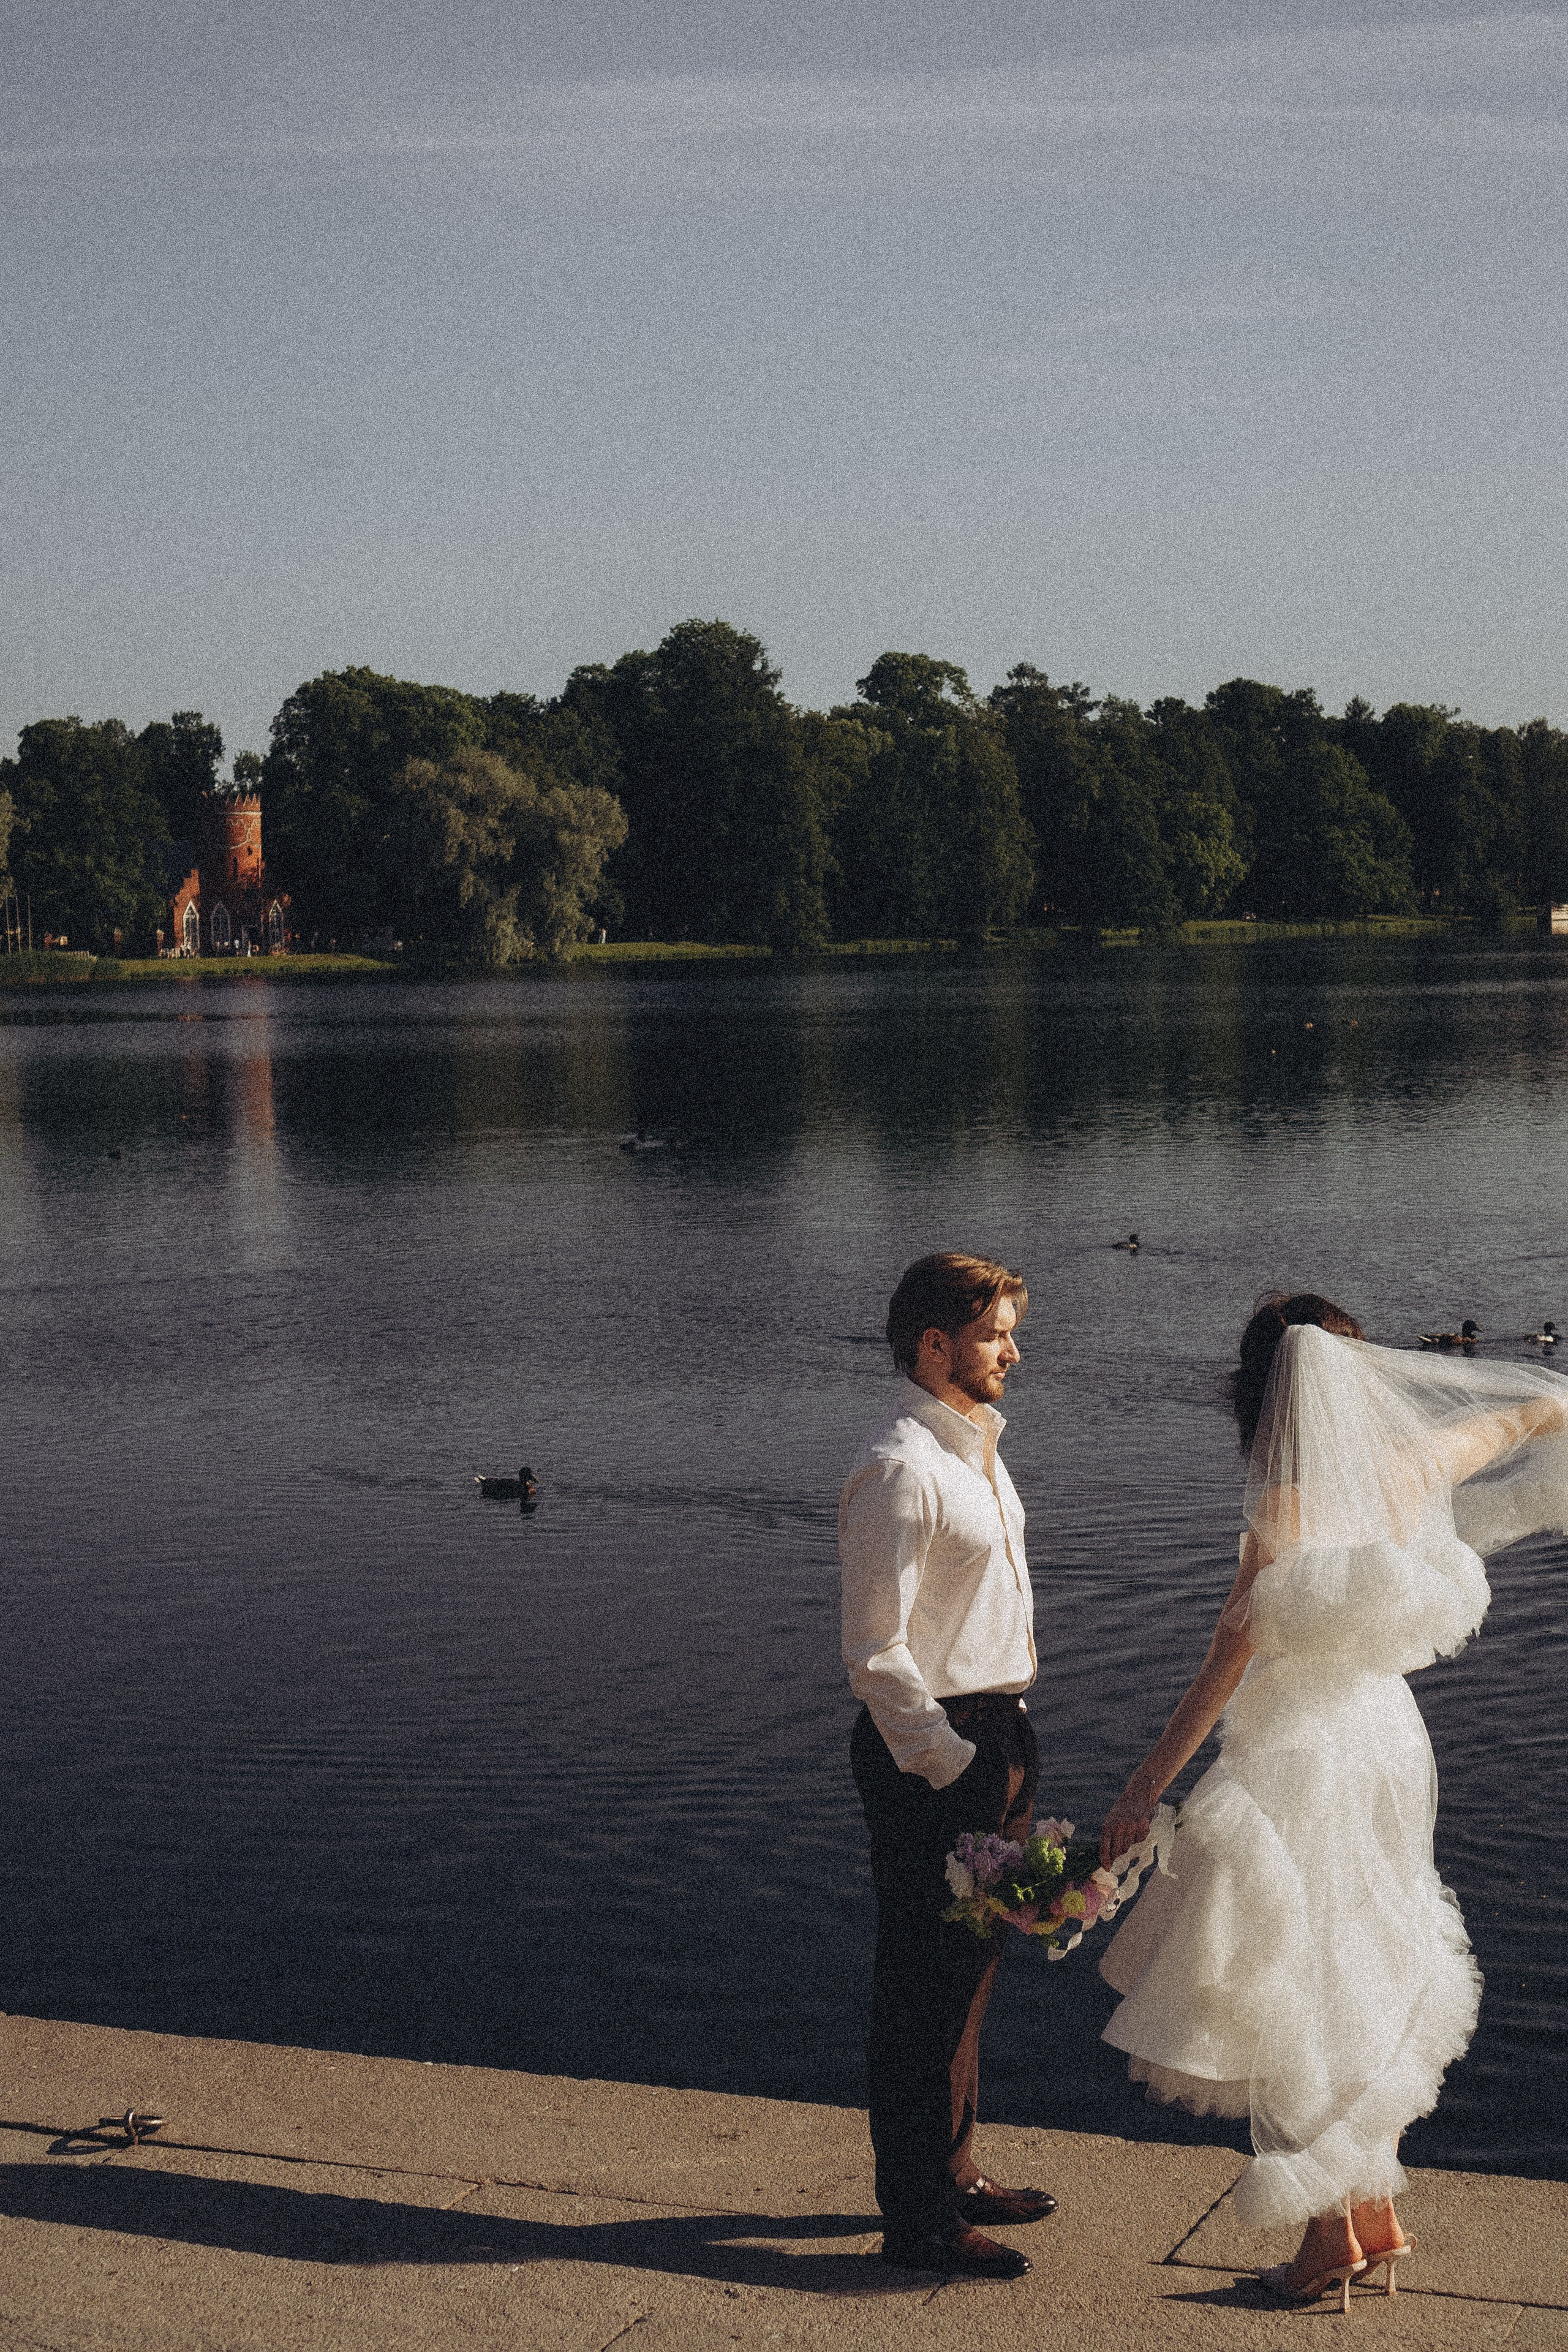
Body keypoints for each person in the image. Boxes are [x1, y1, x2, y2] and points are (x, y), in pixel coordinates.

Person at [1097, 1291, 1568, 2309]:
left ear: (1262, 1397)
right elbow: (1539, 1412)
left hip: (1301, 1756)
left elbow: (1233, 1651)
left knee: (1298, 1978)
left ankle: (1325, 2238)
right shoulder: (1417, 1464)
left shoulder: (1284, 1503)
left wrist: (1145, 1785)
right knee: (1374, 1956)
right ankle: (1375, 2211)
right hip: (1392, 1743)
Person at [840, 1251, 1055, 2280]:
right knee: (920, 1987)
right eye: (994, 1334)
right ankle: (915, 2218)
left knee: (971, 1975)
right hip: (933, 1749)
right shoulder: (900, 1467)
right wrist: (953, 1764)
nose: (1012, 1349)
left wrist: (999, 1753)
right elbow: (875, 1654)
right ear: (936, 1346)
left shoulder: (977, 1450)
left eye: (1010, 1331)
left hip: (997, 1730)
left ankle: (957, 2174)